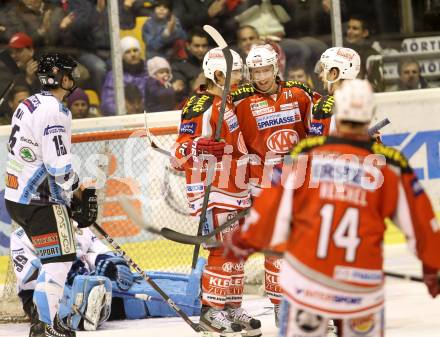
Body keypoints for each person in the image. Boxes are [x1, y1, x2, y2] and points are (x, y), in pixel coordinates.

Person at [229, 79, 440, 337]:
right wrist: (433, 267)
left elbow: (269, 210)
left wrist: (243, 242)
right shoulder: (388, 163)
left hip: (307, 282)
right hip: (361, 284)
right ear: (369, 113)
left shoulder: (305, 152)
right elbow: (422, 225)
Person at [4, 52, 98, 337]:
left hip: (17, 197)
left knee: (54, 258)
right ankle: (45, 326)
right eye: (70, 73)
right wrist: (76, 192)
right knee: (59, 259)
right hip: (39, 199)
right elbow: (57, 165)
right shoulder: (56, 110)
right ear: (62, 77)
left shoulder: (28, 103)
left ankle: (48, 322)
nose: (74, 78)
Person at [171, 47, 259, 335]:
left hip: (235, 185)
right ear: (218, 74)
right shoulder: (199, 104)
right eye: (234, 73)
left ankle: (231, 307)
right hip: (212, 187)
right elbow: (180, 150)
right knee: (221, 249)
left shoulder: (228, 100)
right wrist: (199, 146)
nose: (240, 78)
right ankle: (211, 312)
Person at [231, 43, 316, 326]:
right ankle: (282, 308)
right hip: (262, 184)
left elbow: (321, 124)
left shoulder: (300, 93)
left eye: (266, 69)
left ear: (276, 67)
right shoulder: (239, 100)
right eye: (256, 72)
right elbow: (217, 122)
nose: (262, 76)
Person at [310, 47, 360, 137]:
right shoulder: (363, 101)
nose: (320, 75)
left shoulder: (325, 104)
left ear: (334, 73)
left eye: (323, 70)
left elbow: (315, 145)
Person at [100, 36, 147, 115]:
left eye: (135, 50)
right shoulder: (114, 76)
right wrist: (125, 111)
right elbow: (107, 104)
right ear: (122, 56)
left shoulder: (149, 71)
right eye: (127, 52)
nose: (133, 54)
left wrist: (142, 108)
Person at [171, 27, 210, 96]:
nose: (201, 50)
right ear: (188, 46)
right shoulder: (178, 66)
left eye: (204, 46)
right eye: (196, 46)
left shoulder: (214, 63)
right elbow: (181, 94)